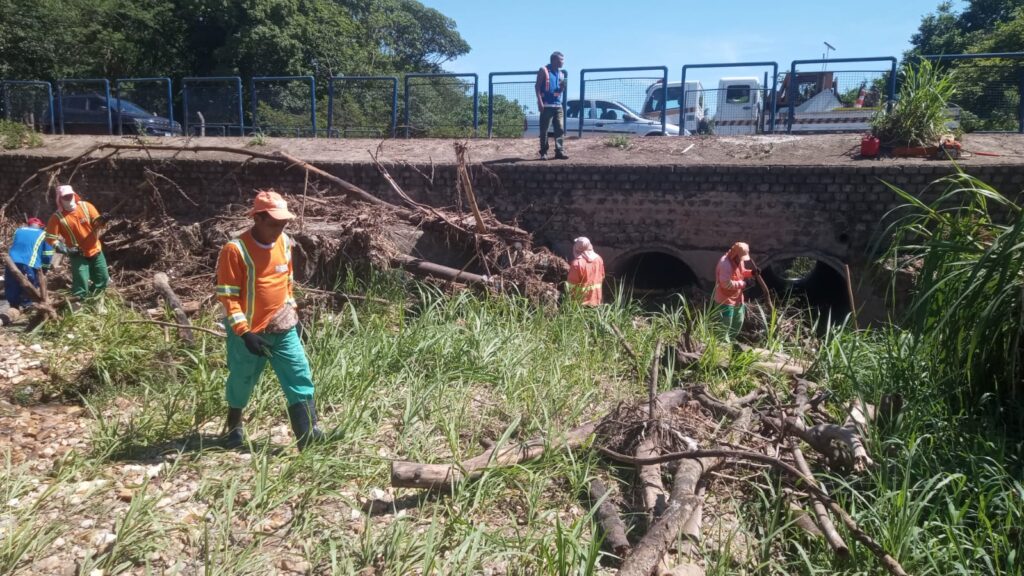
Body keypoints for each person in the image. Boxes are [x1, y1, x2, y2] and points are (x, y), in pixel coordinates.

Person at [216, 190, 324, 451]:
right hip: (250, 333)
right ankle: (234, 424)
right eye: (274, 224)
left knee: (299, 373)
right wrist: (244, 332)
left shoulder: (285, 242)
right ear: (258, 218)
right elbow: (228, 297)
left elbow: (287, 282)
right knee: (242, 379)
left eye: (283, 224)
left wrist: (293, 313)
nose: (279, 229)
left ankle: (307, 433)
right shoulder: (236, 250)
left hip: (282, 326)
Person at [44, 184, 108, 300]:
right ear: (60, 199)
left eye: (70, 195)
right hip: (78, 254)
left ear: (74, 195)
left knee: (102, 279)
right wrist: (66, 250)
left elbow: (97, 224)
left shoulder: (86, 207)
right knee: (81, 285)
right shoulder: (57, 217)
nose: (69, 198)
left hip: (95, 250)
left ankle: (95, 302)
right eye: (65, 197)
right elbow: (50, 238)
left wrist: (102, 220)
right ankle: (79, 307)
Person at [714, 242, 759, 340]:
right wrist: (743, 284)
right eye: (740, 257)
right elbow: (725, 284)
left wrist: (752, 273)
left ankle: (729, 343)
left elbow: (741, 272)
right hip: (724, 302)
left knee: (737, 323)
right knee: (724, 327)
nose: (742, 260)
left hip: (738, 300)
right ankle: (721, 347)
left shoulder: (739, 261)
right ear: (735, 254)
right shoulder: (725, 264)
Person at [5, 217, 53, 309]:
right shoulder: (44, 234)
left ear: (28, 225)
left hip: (11, 261)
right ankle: (27, 305)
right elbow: (47, 254)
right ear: (40, 226)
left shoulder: (18, 231)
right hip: (30, 263)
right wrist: (45, 268)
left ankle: (13, 305)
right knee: (30, 285)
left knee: (12, 283)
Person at [536, 51, 568, 161]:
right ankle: (543, 152)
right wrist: (539, 101)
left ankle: (560, 151)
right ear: (555, 60)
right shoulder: (543, 70)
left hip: (558, 105)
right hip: (547, 106)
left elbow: (559, 90)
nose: (563, 62)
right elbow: (537, 86)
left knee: (559, 128)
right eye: (561, 60)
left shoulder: (561, 73)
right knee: (544, 130)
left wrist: (563, 87)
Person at [567, 237, 605, 306]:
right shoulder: (599, 259)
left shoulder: (576, 264)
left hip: (580, 303)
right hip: (597, 299)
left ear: (577, 248)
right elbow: (602, 276)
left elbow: (571, 285)